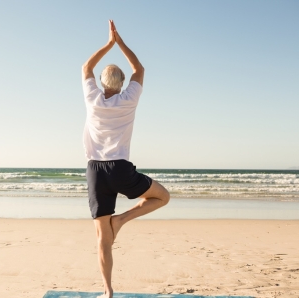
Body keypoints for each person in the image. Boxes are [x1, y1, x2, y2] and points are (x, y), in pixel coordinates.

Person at [82, 20, 170, 298]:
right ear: (121, 85)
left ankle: (108, 292)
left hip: (96, 171)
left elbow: (86, 68)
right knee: (163, 197)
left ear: (100, 83)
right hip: (120, 169)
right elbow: (139, 70)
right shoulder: (129, 98)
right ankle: (123, 220)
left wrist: (107, 44)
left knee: (102, 240)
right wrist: (119, 42)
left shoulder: (93, 98)